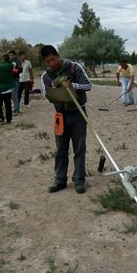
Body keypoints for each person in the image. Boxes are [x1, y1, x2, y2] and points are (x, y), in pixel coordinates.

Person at [40, 45, 92, 194]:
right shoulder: (46, 76)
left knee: (79, 148)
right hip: (60, 116)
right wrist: (56, 91)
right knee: (61, 149)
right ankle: (60, 180)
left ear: (58, 55)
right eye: (48, 61)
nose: (52, 63)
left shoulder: (74, 67)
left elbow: (88, 85)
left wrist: (73, 85)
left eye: (53, 59)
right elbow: (46, 94)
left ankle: (79, 180)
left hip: (78, 113)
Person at [8, 50, 22, 114]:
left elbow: (20, 69)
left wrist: (14, 71)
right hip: (10, 80)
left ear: (14, 55)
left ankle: (17, 109)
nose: (10, 56)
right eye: (9, 55)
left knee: (15, 95)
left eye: (11, 55)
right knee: (11, 95)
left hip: (16, 80)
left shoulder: (17, 61)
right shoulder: (9, 61)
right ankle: (16, 107)